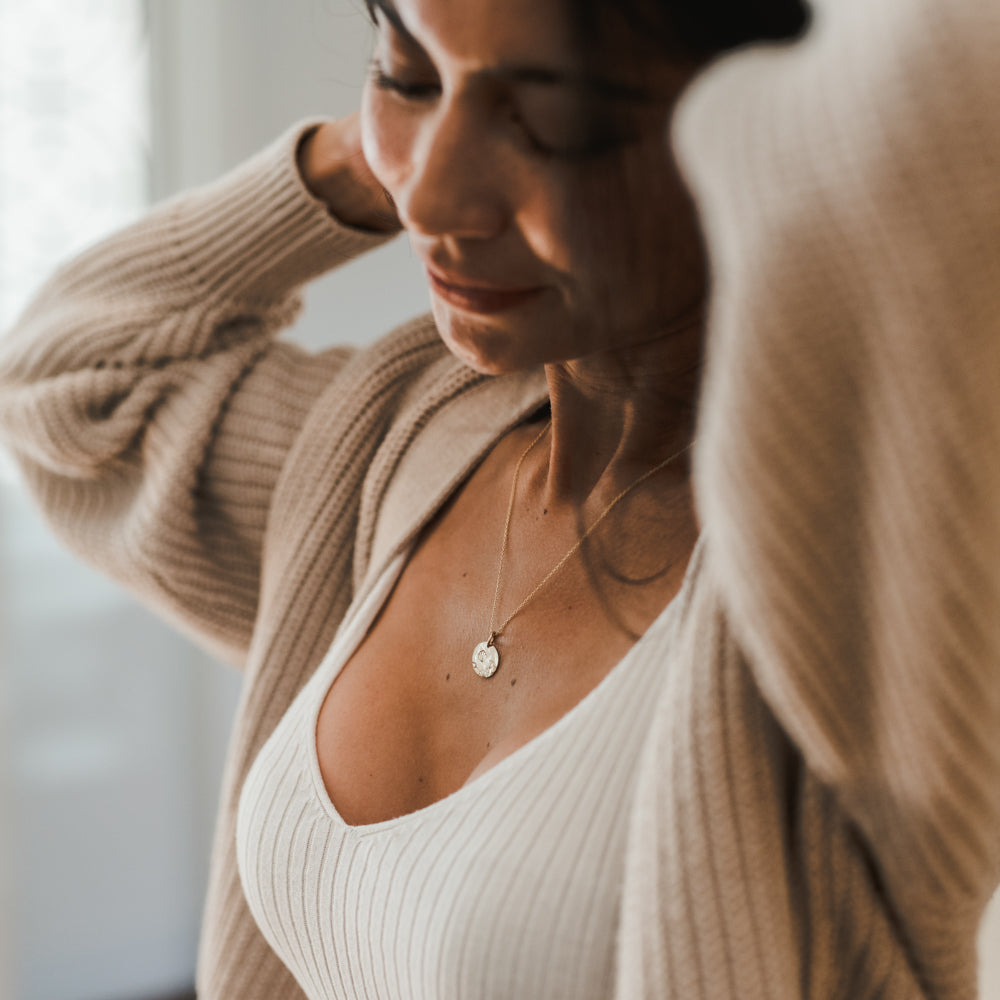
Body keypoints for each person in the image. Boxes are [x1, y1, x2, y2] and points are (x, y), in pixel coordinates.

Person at [1, 0, 998, 996]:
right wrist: (366, 154)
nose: (429, 197)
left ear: (765, 129)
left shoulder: (869, 593)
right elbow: (69, 385)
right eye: (405, 71)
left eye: (548, 125)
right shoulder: (395, 441)